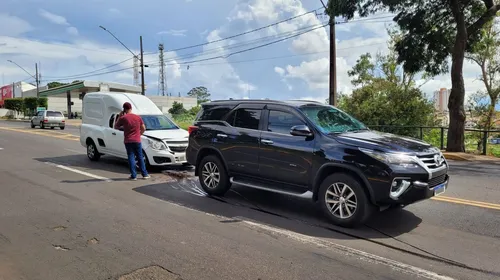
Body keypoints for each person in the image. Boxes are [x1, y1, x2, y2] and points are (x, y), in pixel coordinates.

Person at [114, 102, 150, 180]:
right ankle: (145, 174)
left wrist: (120, 116)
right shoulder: (137, 117)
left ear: (124, 109)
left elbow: (116, 127)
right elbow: (143, 128)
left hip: (128, 141)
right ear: (131, 108)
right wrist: (139, 134)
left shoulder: (124, 118)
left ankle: (133, 175)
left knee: (131, 157)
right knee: (140, 157)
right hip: (137, 140)